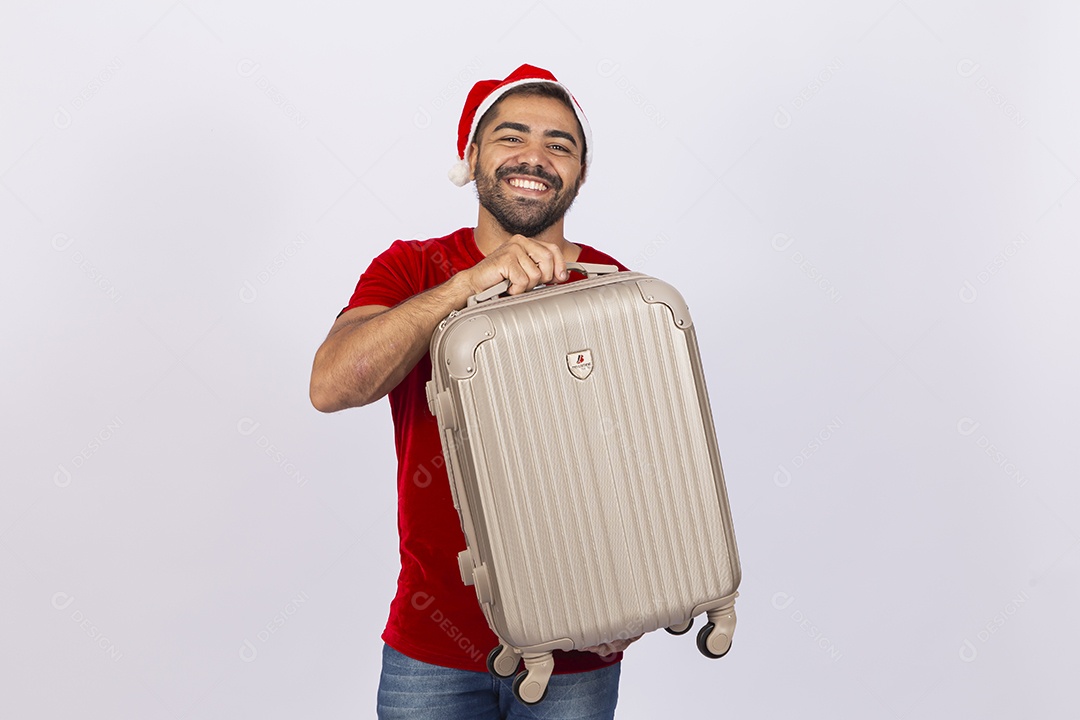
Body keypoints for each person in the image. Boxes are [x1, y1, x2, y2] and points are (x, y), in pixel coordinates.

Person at [310, 64, 634, 719]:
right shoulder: (412, 268)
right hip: (432, 649)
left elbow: (642, 462)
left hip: (578, 650)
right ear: (473, 157)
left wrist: (641, 592)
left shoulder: (614, 287)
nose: (535, 157)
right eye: (511, 137)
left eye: (560, 144)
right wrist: (468, 284)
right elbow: (334, 384)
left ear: (580, 172)